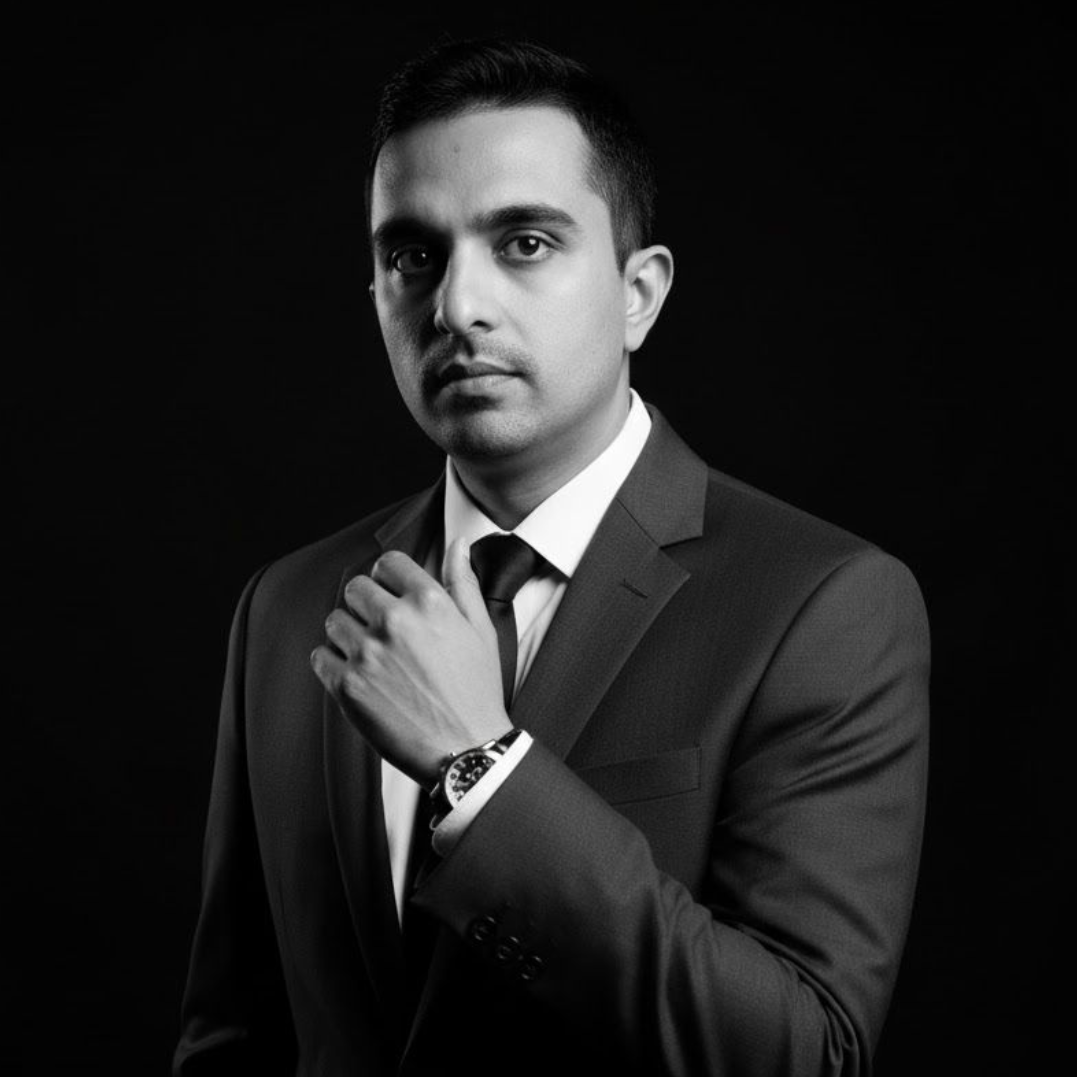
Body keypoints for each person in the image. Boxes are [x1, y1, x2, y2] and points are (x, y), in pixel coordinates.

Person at [174, 37, 929, 1077]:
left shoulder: (823, 606)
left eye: (524, 242)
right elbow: (235, 1036)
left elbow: (806, 1052)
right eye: (412, 254)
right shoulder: (291, 606)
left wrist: (481, 768)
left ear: (639, 293)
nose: (456, 308)